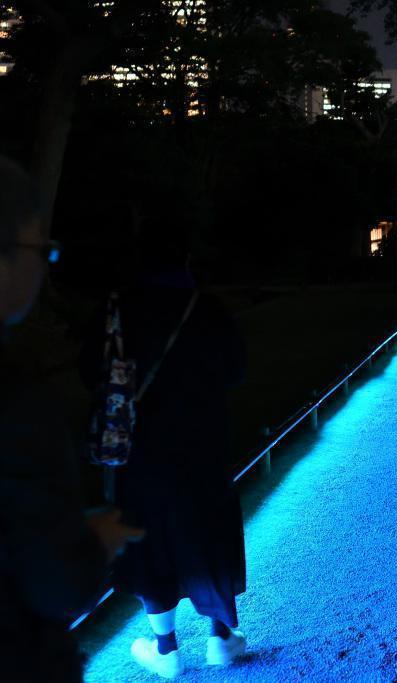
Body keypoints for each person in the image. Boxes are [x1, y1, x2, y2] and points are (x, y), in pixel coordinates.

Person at [80, 222, 247, 679]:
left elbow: (89, 372)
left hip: (140, 453)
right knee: (208, 532)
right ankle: (220, 638)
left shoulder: (116, 310)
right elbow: (236, 370)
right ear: (185, 260)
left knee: (148, 540)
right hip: (203, 447)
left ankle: (166, 648)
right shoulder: (207, 309)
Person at [0, 156, 144, 682]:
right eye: (41, 251)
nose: (43, 266)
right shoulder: (18, 406)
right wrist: (95, 544)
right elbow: (58, 584)